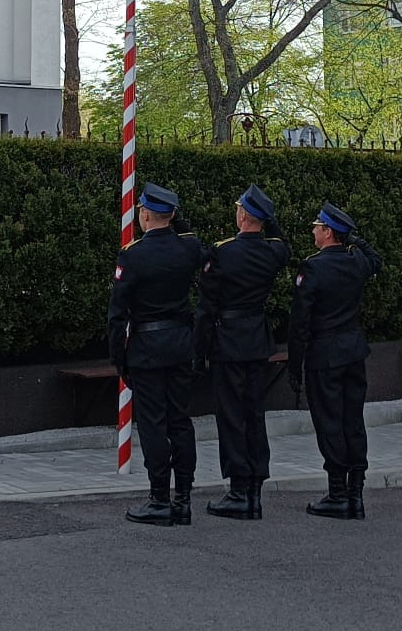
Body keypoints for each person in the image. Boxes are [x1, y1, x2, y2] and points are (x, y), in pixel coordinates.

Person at [107, 182, 204, 526]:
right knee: (180, 421)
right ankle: (184, 499)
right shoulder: (188, 249)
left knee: (153, 424)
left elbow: (117, 315)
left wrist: (119, 359)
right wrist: (176, 219)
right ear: (172, 215)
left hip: (147, 350)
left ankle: (160, 498)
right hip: (180, 345)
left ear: (144, 214)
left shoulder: (133, 255)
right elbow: (193, 241)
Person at [192, 184, 289, 520]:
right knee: (254, 415)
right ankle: (255, 492)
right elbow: (281, 243)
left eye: (239, 208)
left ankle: (238, 491)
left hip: (228, 342)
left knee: (232, 417)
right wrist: (267, 219)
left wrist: (199, 352)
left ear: (244, 215)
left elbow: (206, 309)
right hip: (257, 341)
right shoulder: (273, 252)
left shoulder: (222, 252)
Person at [287, 202, 381, 520]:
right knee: (353, 422)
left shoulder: (313, 267)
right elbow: (375, 260)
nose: (313, 231)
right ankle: (356, 496)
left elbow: (300, 322)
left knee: (330, 424)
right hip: (353, 352)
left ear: (328, 232)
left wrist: (295, 365)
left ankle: (338, 494)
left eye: (317, 226)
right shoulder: (356, 261)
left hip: (324, 355)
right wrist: (355, 240)